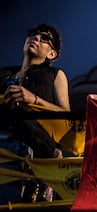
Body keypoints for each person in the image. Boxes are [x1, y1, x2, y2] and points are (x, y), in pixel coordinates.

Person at [0, 23, 71, 203]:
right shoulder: (4, 73)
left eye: (44, 38)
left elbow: (66, 116)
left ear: (51, 54)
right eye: (33, 34)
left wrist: (34, 99)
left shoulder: (55, 75)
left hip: (38, 153)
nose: (36, 38)